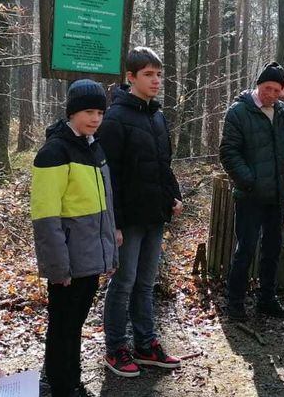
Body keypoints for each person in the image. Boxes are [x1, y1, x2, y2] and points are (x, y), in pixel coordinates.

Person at [99, 47, 184, 376]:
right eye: (149, 74)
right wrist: (115, 223)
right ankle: (116, 348)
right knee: (124, 283)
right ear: (130, 77)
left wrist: (173, 196)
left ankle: (145, 344)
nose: (156, 80)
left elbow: (164, 166)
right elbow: (109, 177)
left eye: (159, 74)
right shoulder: (116, 118)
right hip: (129, 219)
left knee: (146, 283)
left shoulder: (157, 115)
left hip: (154, 215)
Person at [31, 79, 118, 397]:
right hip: (68, 260)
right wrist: (58, 267)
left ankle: (70, 379)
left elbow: (104, 206)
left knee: (75, 322)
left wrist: (110, 248)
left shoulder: (94, 147)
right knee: (63, 324)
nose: (95, 118)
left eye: (100, 112)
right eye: (88, 111)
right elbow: (45, 216)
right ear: (72, 112)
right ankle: (62, 384)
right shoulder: (54, 152)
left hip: (90, 257)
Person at [219, 61, 284, 321]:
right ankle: (235, 303)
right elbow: (228, 152)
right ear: (258, 84)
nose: (270, 94)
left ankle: (267, 299)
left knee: (273, 249)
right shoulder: (239, 112)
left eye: (276, 89)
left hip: (276, 195)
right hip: (250, 196)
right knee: (246, 249)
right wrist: (249, 181)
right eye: (266, 87)